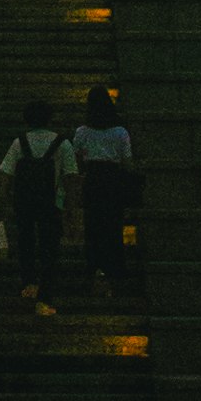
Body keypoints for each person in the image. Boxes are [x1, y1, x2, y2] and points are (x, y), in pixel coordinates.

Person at [66, 84, 139, 304]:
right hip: (113, 179)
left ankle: (94, 265)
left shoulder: (82, 131)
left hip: (93, 180)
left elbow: (76, 160)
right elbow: (127, 161)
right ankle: (115, 267)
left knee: (93, 225)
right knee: (113, 224)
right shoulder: (120, 132)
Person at [0, 100, 65, 309]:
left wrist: (2, 200)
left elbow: (6, 174)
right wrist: (71, 206)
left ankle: (28, 283)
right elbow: (72, 175)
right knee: (48, 245)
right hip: (51, 201)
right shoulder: (61, 143)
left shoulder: (20, 142)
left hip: (24, 200)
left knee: (25, 241)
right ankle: (46, 289)